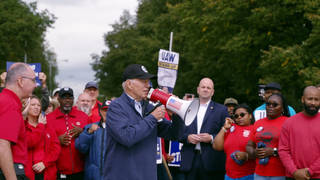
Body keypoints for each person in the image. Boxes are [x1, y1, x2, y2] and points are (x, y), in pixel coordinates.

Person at [103, 64, 184, 180]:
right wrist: (152, 117)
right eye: (143, 81)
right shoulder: (116, 107)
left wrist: (177, 114)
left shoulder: (148, 107)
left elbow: (175, 135)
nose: (148, 86)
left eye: (148, 81)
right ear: (129, 84)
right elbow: (126, 137)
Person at [179, 77, 228, 180]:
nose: (205, 89)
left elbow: (227, 135)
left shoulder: (222, 110)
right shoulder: (185, 108)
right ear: (198, 89)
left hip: (212, 161)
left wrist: (211, 138)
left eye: (208, 88)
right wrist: (187, 138)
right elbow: (177, 132)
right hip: (189, 160)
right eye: (203, 87)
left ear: (212, 92)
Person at [0, 62, 37, 179]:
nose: (36, 85)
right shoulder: (10, 104)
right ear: (20, 81)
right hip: (11, 170)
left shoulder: (5, 100)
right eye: (33, 80)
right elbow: (3, 145)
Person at [47, 87, 89, 179]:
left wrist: (82, 132)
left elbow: (92, 137)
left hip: (81, 170)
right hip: (58, 171)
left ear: (73, 99)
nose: (67, 100)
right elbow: (43, 142)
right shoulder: (49, 118)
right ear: (58, 99)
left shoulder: (83, 116)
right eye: (64, 98)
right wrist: (57, 140)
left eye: (69, 98)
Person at [279, 86, 320, 180]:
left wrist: (310, 171)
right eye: (310, 99)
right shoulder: (289, 122)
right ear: (302, 99)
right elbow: (283, 150)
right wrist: (294, 171)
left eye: (316, 99)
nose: (313, 103)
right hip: (293, 176)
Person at [246, 93, 290, 180]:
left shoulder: (289, 123)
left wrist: (273, 151)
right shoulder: (258, 123)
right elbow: (249, 145)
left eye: (275, 105)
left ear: (282, 108)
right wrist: (254, 152)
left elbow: (294, 148)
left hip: (280, 173)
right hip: (259, 173)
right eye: (268, 104)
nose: (270, 106)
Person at [213, 104, 255, 180]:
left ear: (250, 116)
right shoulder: (231, 128)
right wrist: (224, 128)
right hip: (229, 176)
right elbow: (217, 147)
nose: (239, 117)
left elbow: (261, 151)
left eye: (242, 115)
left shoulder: (255, 129)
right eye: (236, 116)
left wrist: (246, 156)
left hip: (249, 175)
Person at [25, 95, 61, 180]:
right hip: (28, 174)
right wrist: (40, 126)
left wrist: (45, 163)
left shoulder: (48, 125)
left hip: (47, 172)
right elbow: (29, 142)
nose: (36, 107)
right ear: (26, 107)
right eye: (33, 105)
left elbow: (56, 148)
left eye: (38, 105)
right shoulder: (23, 125)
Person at [75, 100, 111, 180]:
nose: (107, 113)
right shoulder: (90, 127)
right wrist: (88, 133)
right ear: (100, 111)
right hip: (93, 175)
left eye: (110, 110)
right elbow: (81, 148)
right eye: (104, 110)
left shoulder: (119, 129)